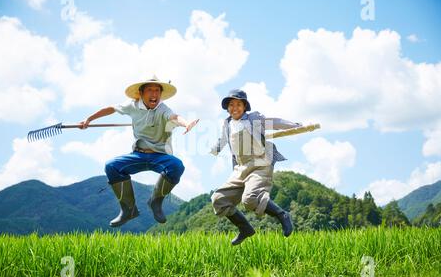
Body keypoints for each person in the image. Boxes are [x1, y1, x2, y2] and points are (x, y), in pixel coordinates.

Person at [80, 76, 199, 227]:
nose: (154, 94)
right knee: (111, 166)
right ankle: (128, 209)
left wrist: (186, 124)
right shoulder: (132, 106)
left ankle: (155, 202)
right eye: (150, 90)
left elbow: (175, 117)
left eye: (157, 90)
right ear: (141, 92)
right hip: (139, 154)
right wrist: (89, 119)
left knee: (176, 166)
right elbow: (111, 108)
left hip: (160, 156)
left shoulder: (163, 109)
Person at [210, 89, 301, 245]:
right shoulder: (227, 123)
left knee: (250, 199)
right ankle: (245, 228)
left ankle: (282, 215)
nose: (235, 108)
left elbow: (274, 122)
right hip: (241, 167)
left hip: (260, 164)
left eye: (238, 104)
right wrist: (215, 149)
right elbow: (224, 140)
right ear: (227, 108)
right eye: (231, 105)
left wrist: (294, 126)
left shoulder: (253, 118)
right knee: (218, 199)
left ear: (245, 106)